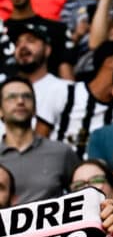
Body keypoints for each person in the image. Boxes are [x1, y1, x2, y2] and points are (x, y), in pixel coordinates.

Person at [0, 76, 78, 204]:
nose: (20, 101)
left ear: (35, 109)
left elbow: (82, 191)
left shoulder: (61, 152)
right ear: (0, 110)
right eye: (11, 97)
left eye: (27, 96)